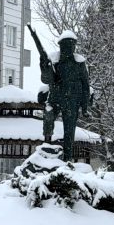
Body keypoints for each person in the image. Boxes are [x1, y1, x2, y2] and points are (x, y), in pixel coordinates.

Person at [33, 29, 91, 161]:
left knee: (69, 132)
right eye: (65, 46)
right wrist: (44, 65)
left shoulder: (79, 63)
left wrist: (85, 106)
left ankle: (67, 159)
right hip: (55, 98)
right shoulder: (54, 61)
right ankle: (46, 146)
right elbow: (46, 80)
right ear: (61, 47)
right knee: (48, 116)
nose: (68, 48)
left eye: (71, 46)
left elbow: (85, 85)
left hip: (72, 101)